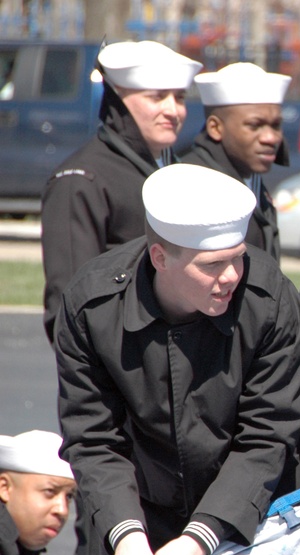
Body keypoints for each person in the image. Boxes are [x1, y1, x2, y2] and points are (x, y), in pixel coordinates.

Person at [55, 163, 300, 555]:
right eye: (212, 265)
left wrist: (201, 537)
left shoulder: (269, 301)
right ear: (159, 257)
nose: (231, 276)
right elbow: (93, 439)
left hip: (250, 518)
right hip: (140, 518)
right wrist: (128, 539)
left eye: (238, 257)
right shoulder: (92, 306)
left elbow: (267, 436)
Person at [41, 40, 202, 344]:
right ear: (118, 99)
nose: (173, 110)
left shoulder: (177, 172)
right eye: (157, 97)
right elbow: (70, 305)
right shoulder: (81, 179)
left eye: (179, 97)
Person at [183, 62, 291, 261]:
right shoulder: (193, 186)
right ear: (215, 128)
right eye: (254, 125)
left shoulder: (249, 175)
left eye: (276, 125)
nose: (271, 138)